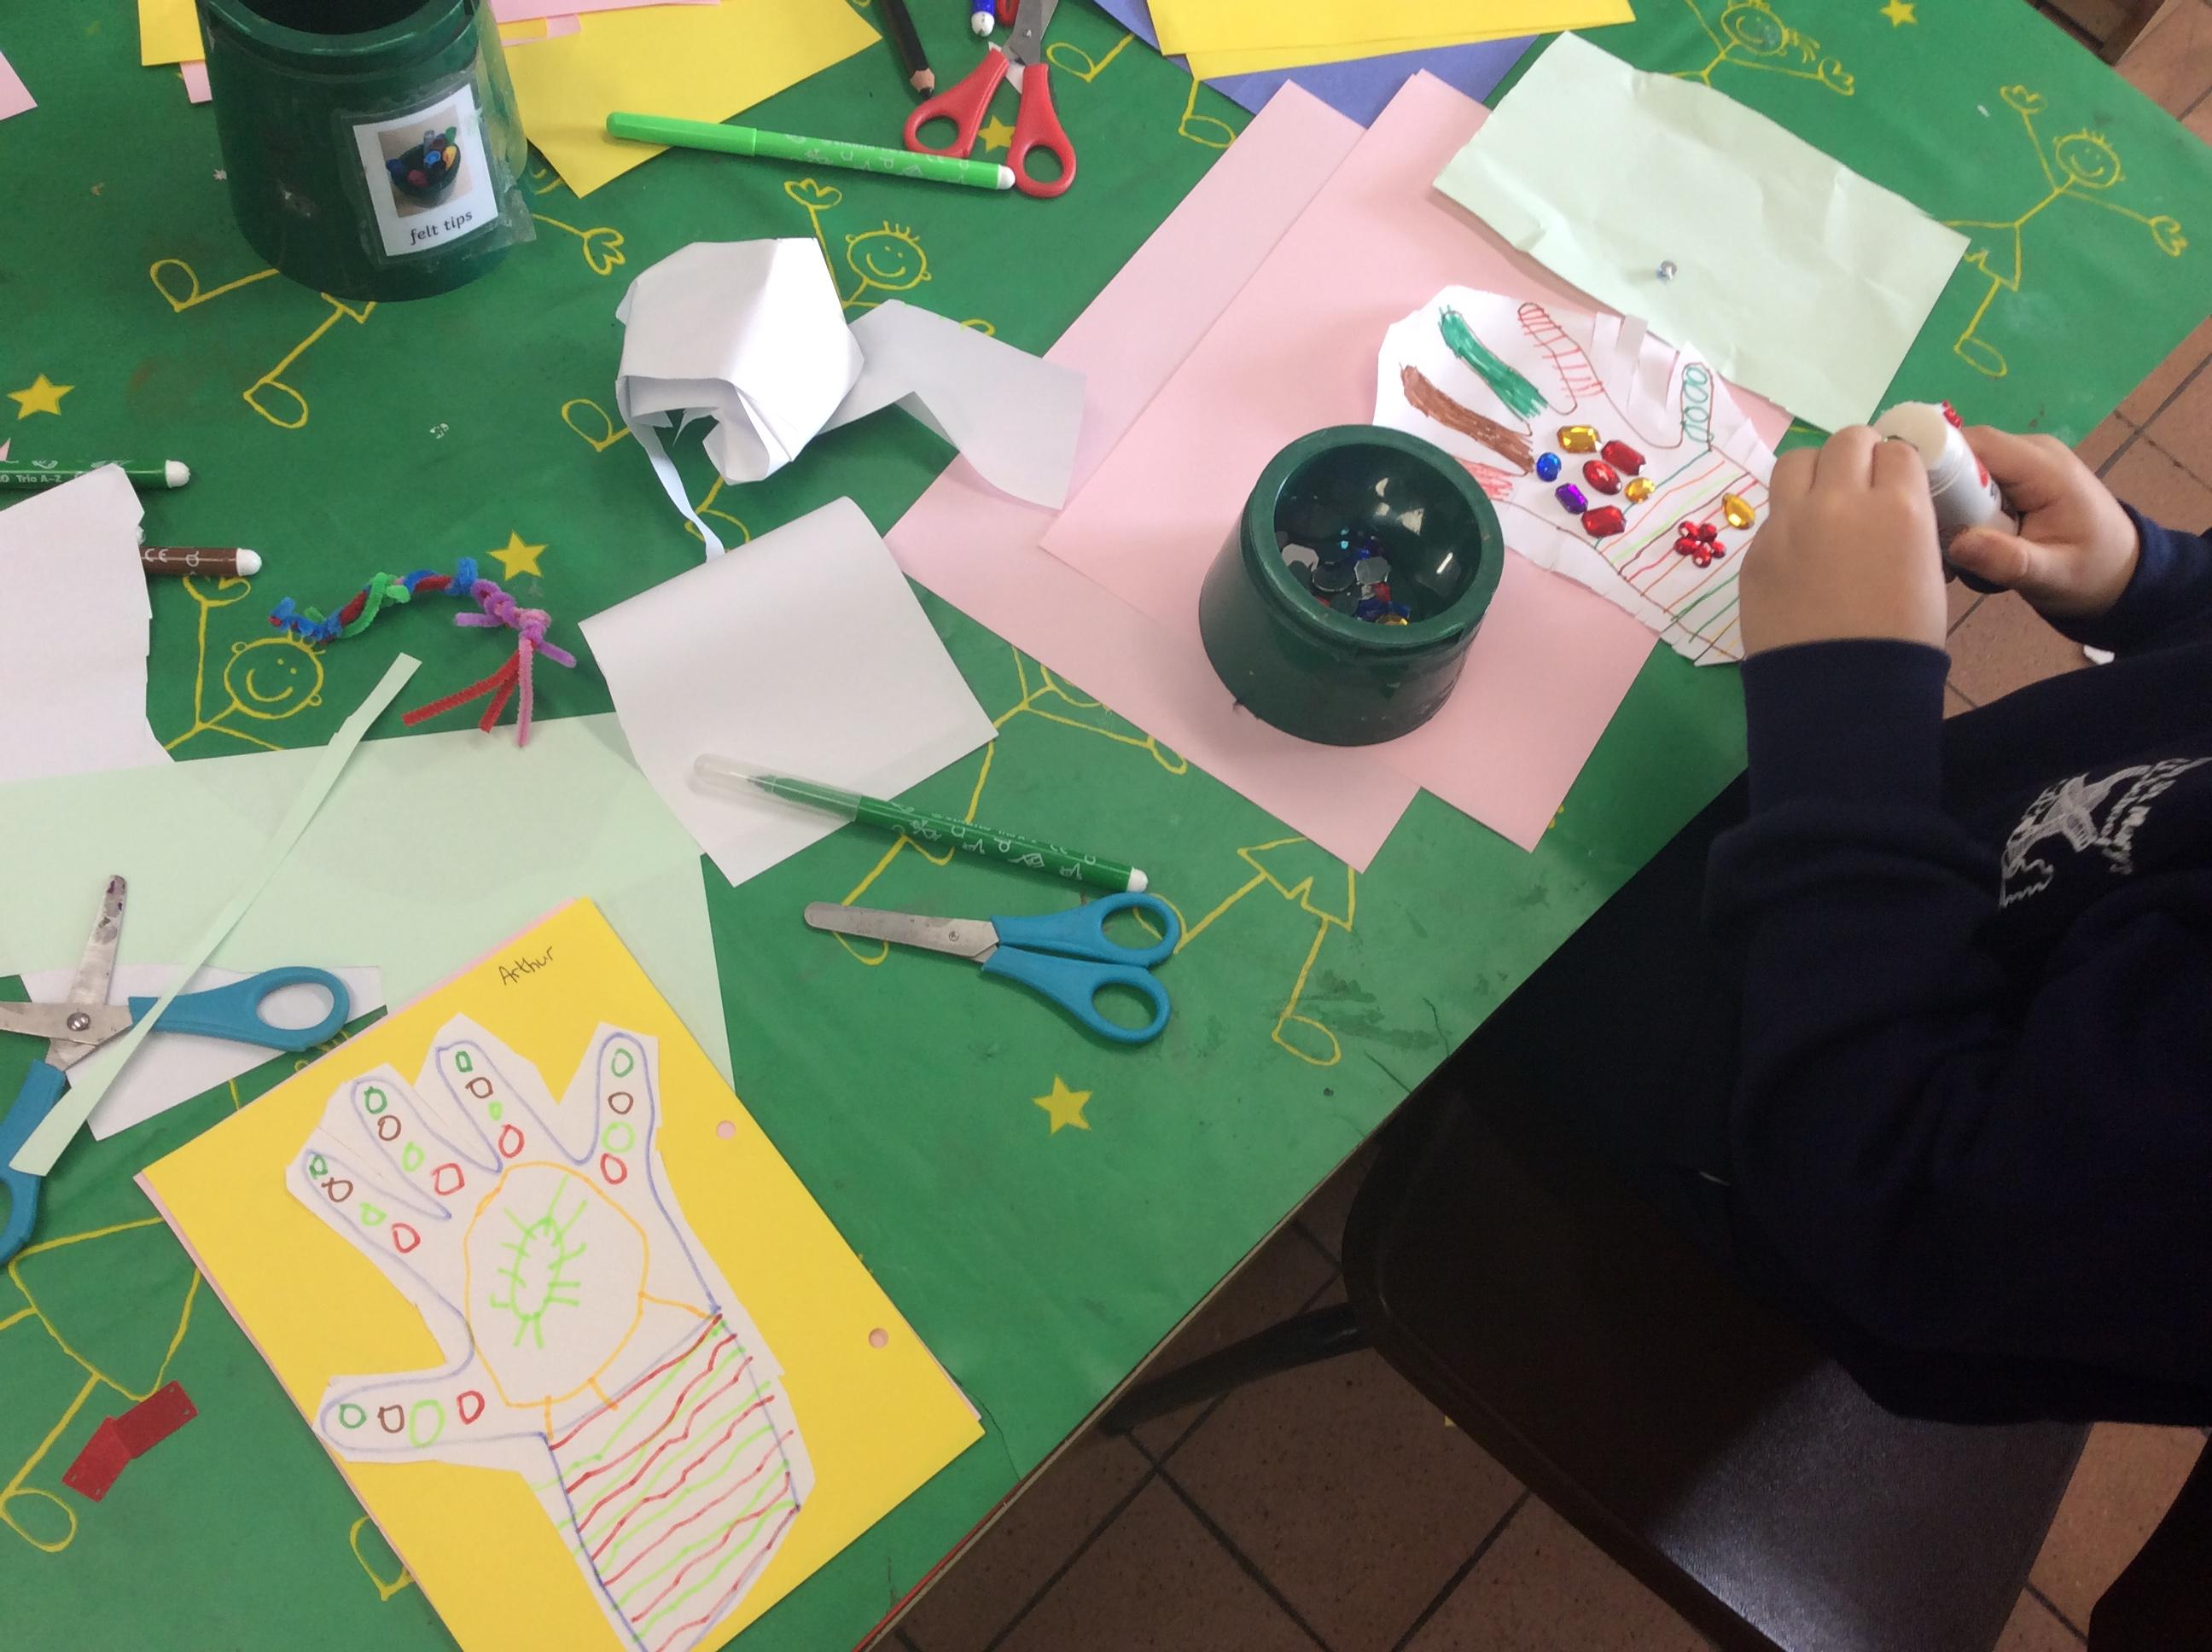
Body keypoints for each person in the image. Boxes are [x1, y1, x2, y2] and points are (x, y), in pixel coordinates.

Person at [1475, 422, 2210, 1428]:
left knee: (1491, 910)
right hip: (1889, 863)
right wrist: (2154, 583)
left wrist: (1846, 703)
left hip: (1788, 1112)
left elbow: (1912, 1209)